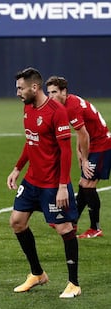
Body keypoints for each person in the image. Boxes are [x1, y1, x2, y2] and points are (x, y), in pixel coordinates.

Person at [6, 67, 81, 298]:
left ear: (34, 87)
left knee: (64, 228)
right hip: (32, 181)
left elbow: (65, 151)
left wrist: (62, 185)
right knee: (17, 222)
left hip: (52, 183)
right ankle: (37, 274)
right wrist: (18, 168)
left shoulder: (56, 111)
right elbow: (31, 141)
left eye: (20, 88)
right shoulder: (27, 107)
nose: (17, 92)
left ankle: (74, 284)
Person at [46, 76, 110, 239]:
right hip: (94, 143)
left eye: (54, 92)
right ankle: (72, 221)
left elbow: (84, 134)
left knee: (88, 184)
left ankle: (95, 228)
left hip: (102, 144)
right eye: (49, 93)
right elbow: (80, 131)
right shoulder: (68, 103)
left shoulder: (71, 107)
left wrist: (86, 158)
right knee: (83, 183)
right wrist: (78, 151)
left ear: (64, 91)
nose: (51, 96)